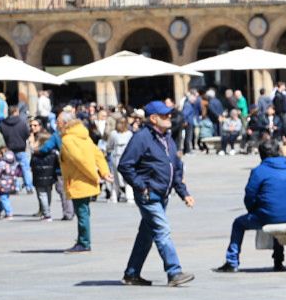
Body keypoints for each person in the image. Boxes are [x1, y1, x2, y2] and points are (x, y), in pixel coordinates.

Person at [116, 101, 196, 288]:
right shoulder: (142, 138)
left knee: (146, 235)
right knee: (162, 230)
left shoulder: (167, 138)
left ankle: (132, 273)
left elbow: (175, 167)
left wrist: (184, 193)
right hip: (149, 195)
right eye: (165, 115)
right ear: (153, 118)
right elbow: (125, 165)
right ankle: (174, 272)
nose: (169, 118)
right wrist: (141, 186)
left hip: (162, 194)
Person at [214, 138, 286, 273]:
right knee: (276, 213)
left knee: (238, 224)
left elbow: (249, 195)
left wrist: (253, 210)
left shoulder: (259, 171)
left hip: (268, 215)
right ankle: (278, 260)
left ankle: (232, 261)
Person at [57, 114, 109, 254]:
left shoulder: (68, 140)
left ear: (65, 123)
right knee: (84, 211)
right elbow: (97, 154)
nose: (57, 124)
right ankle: (82, 239)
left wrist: (96, 176)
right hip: (84, 180)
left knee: (82, 213)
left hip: (78, 181)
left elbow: (80, 160)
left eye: (59, 122)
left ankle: (84, 243)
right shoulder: (84, 136)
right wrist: (104, 171)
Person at [103, 116, 133, 202]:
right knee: (115, 178)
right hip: (116, 156)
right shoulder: (114, 134)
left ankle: (129, 196)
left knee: (127, 178)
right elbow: (109, 145)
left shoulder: (129, 134)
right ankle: (115, 196)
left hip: (126, 157)